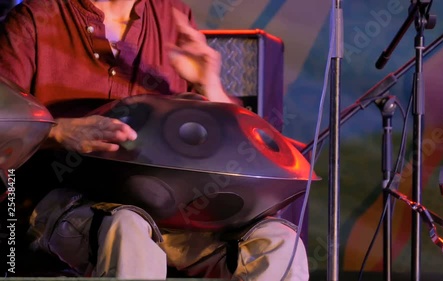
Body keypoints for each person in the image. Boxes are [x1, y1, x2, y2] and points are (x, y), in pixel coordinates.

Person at [0, 0, 309, 280]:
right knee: (127, 228)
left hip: (171, 211)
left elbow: (230, 139)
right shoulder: (34, 18)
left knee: (279, 243)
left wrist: (208, 84)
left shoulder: (170, 16)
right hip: (64, 200)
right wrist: (60, 131)